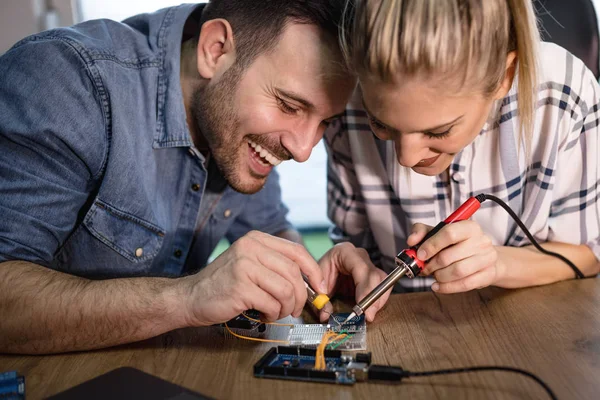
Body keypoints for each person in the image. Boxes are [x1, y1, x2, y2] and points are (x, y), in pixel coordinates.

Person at [0, 0, 390, 355]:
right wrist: (189, 297)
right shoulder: (68, 81)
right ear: (215, 49)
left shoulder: (237, 127)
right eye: (289, 106)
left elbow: (270, 227)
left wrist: (309, 277)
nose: (304, 150)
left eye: (324, 121)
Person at [325, 0, 600, 294]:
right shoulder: (344, 97)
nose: (406, 159)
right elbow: (354, 255)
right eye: (380, 124)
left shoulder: (565, 95)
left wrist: (497, 264)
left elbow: (591, 256)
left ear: (504, 76)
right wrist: (350, 269)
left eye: (439, 131)